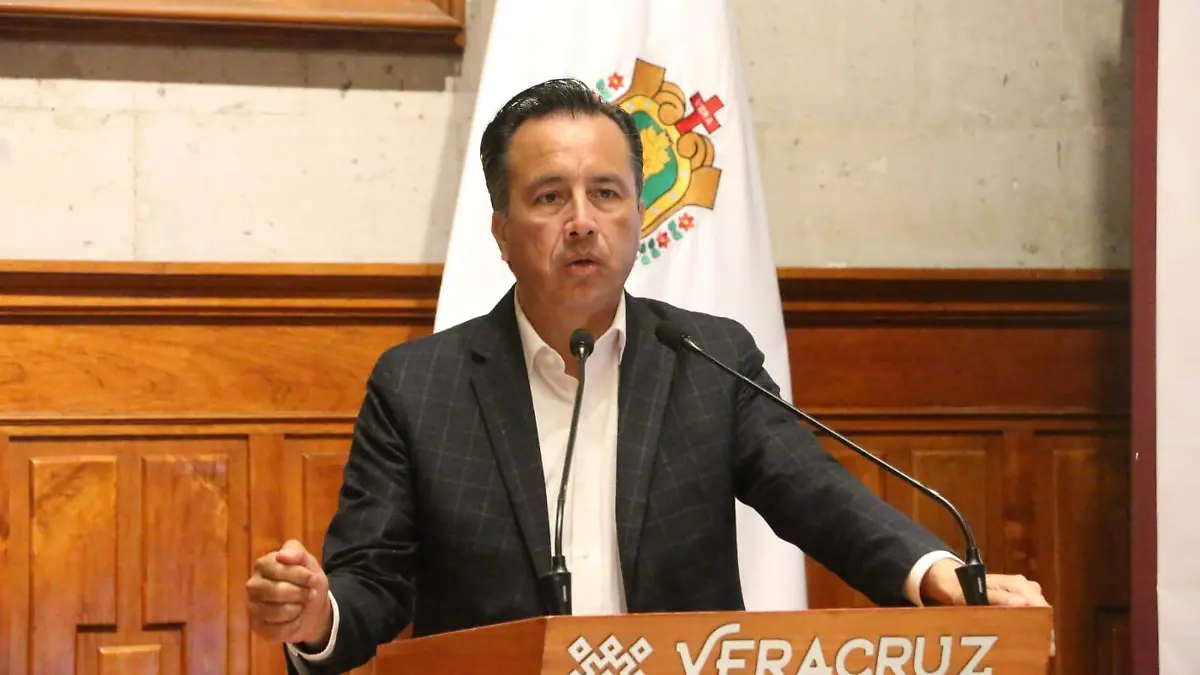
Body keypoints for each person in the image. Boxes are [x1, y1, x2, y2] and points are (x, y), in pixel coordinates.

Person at [245, 78, 1049, 674]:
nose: (582, 221)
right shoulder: (419, 386)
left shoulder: (708, 358)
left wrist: (939, 573)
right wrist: (317, 614)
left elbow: (817, 495)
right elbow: (372, 579)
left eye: (606, 193)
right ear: (501, 231)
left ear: (638, 215)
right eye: (549, 197)